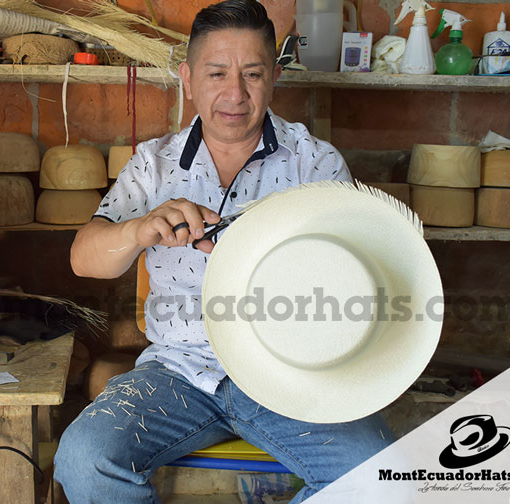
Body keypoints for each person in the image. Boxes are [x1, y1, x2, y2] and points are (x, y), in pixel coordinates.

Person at [55, 1, 391, 501]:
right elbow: (84, 259)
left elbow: (355, 285)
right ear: (188, 78)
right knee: (84, 459)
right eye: (217, 73)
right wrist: (140, 229)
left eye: (252, 74)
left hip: (290, 375)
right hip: (178, 371)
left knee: (375, 472)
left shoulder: (314, 163)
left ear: (275, 76)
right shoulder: (153, 164)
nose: (235, 93)